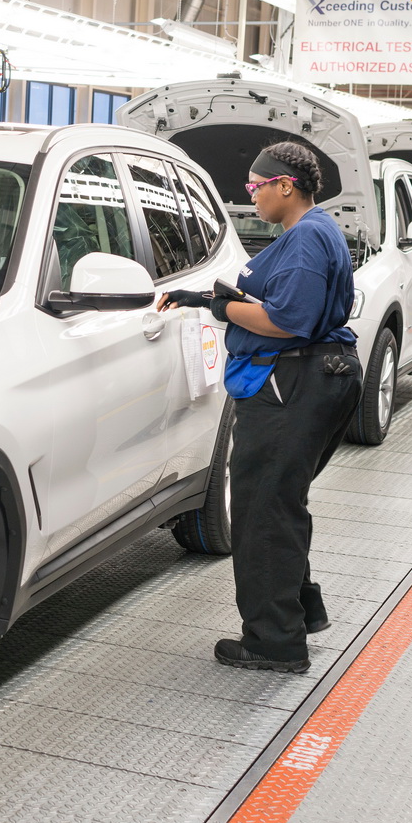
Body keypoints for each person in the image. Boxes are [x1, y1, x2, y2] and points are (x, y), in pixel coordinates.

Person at [157, 141, 362, 674]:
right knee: (281, 501)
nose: (251, 199)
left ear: (284, 185)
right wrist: (205, 299)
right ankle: (299, 612)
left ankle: (275, 642)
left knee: (263, 511)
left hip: (293, 380)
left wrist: (224, 308)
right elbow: (277, 302)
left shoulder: (307, 238)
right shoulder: (313, 233)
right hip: (316, 376)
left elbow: (285, 321)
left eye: (255, 187)